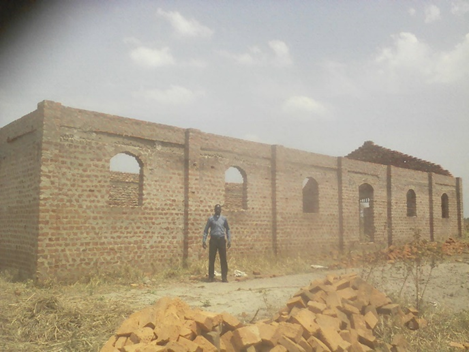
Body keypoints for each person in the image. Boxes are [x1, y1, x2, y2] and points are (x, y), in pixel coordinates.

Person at [203, 204, 231, 282]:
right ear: (214, 210)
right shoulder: (211, 219)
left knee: (223, 259)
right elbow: (206, 230)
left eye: (219, 209)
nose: (218, 210)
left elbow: (228, 229)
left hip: (221, 240)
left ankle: (224, 277)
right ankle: (211, 277)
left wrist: (229, 239)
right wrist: (204, 240)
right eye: (216, 209)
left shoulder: (224, 219)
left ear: (221, 210)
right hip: (213, 240)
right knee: (212, 259)